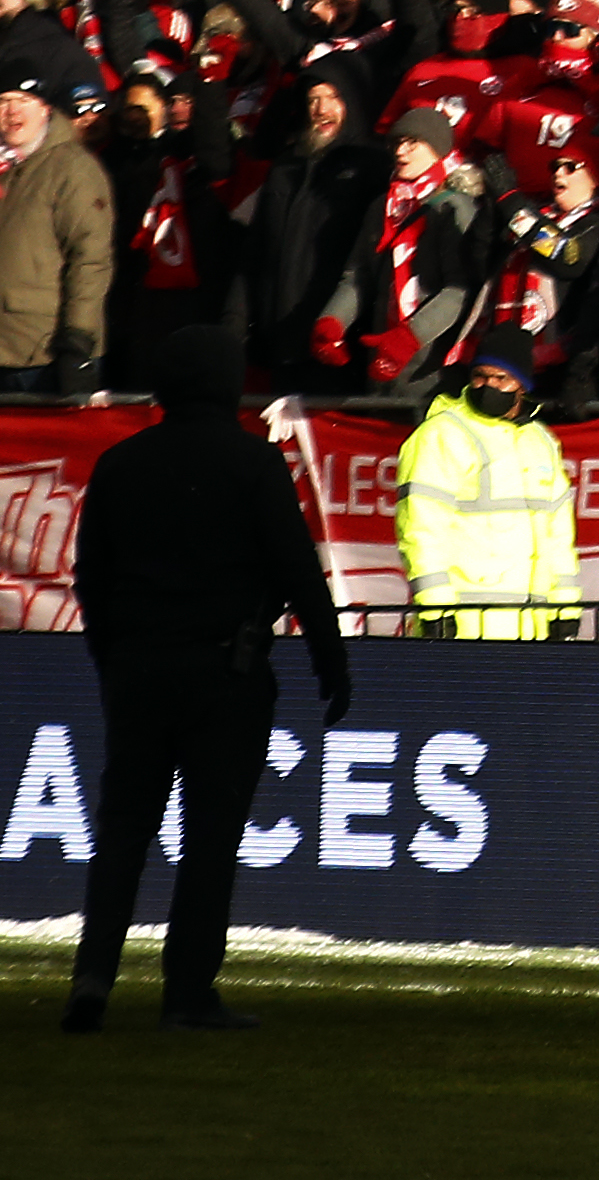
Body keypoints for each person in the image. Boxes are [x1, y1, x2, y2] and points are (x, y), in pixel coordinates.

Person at [65, 325, 349, 1032]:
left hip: (137, 667)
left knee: (124, 829)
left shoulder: (121, 462)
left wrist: (113, 656)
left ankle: (93, 977)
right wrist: (329, 659)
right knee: (210, 836)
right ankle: (187, 991)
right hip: (227, 670)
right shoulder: (252, 463)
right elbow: (295, 569)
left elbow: (90, 578)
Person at [392, 327, 582, 639]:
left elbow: (559, 536)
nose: (488, 386)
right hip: (464, 626)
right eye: (481, 376)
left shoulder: (542, 441)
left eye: (501, 378)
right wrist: (435, 608)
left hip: (532, 628)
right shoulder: (441, 435)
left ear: (522, 384)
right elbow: (421, 528)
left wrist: (566, 609)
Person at [0, 70, 113, 395]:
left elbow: (90, 260)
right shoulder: (4, 165)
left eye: (24, 100)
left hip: (42, 351)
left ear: (45, 108)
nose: (13, 111)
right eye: (4, 101)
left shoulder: (72, 169)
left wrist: (78, 338)